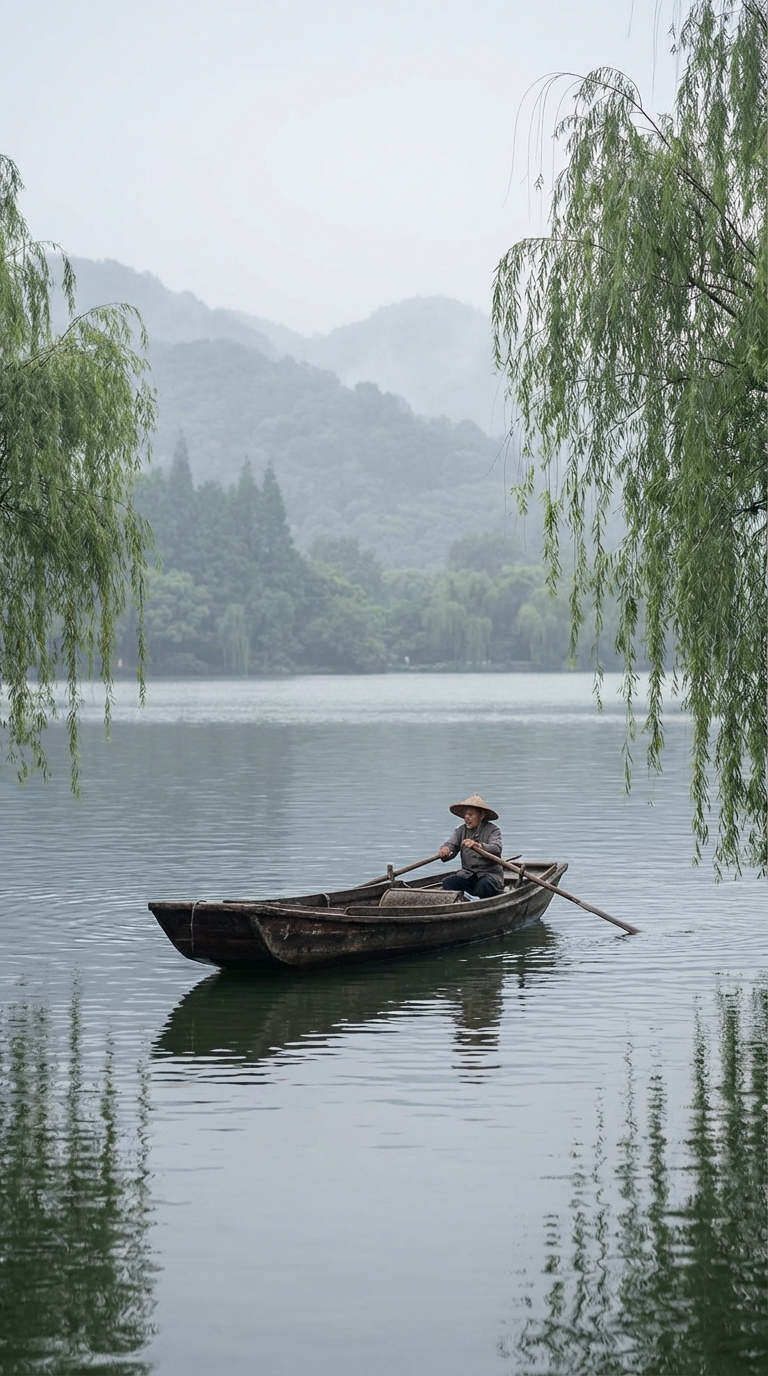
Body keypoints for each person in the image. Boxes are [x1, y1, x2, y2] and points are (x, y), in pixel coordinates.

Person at [439, 794, 504, 898]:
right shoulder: (460, 831)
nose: (466, 818)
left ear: (481, 815)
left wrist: (479, 846)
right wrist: (446, 850)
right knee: (448, 883)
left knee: (484, 886)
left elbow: (496, 848)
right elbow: (452, 845)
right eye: (465, 815)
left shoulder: (493, 830)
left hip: (489, 875)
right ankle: (462, 905)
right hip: (468, 875)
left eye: (470, 814)